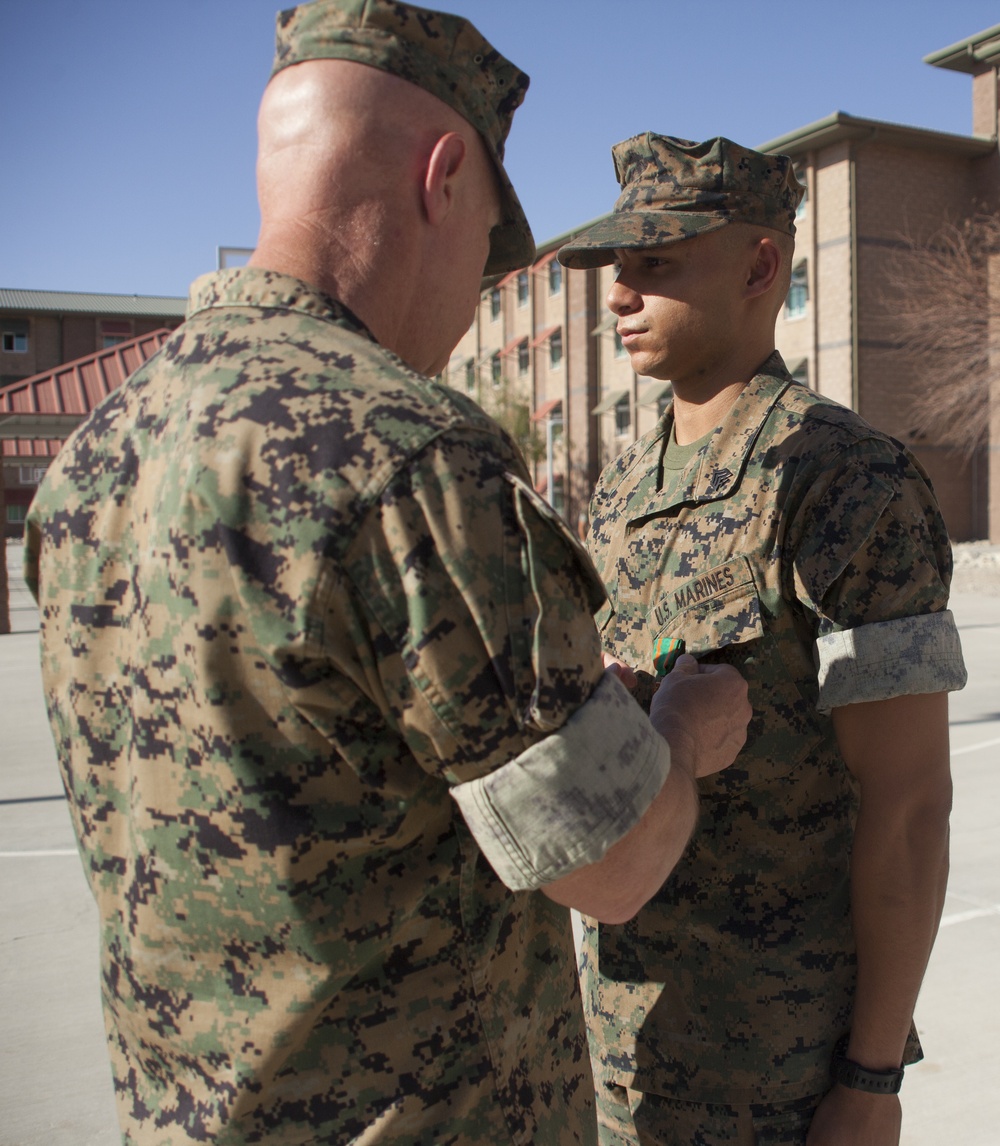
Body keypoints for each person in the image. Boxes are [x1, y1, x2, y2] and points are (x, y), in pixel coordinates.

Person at [23, 10, 751, 1145]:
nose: (472, 302)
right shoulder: (405, 451)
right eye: (486, 249)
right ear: (444, 175)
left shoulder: (94, 456)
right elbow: (613, 864)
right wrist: (681, 729)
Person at [557, 133, 968, 1146]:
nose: (619, 292)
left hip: (771, 1080)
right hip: (615, 1055)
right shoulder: (618, 491)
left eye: (654, 262)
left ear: (757, 267)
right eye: (619, 266)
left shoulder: (843, 482)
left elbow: (907, 804)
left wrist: (871, 1080)